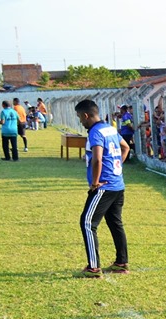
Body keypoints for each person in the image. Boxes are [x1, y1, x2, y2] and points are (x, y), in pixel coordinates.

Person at [74, 99, 129, 278]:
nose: (80, 122)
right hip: (117, 185)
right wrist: (117, 168)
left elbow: (97, 159)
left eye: (79, 117)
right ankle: (121, 263)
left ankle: (93, 267)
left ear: (86, 115)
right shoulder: (110, 128)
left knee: (87, 223)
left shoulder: (95, 132)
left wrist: (95, 183)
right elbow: (125, 147)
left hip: (104, 187)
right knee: (115, 223)